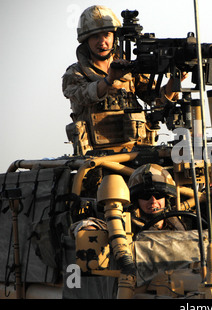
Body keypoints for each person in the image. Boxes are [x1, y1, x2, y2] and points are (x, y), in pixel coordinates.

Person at [62, 5, 180, 155]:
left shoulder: (130, 68)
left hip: (138, 152)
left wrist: (175, 80)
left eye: (107, 35)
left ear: (114, 37)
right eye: (95, 37)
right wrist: (109, 79)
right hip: (97, 156)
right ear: (86, 40)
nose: (102, 42)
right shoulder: (75, 73)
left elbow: (157, 99)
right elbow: (84, 96)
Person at [128, 163, 186, 231]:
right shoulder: (126, 228)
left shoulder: (181, 226)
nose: (153, 201)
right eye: (146, 196)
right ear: (136, 201)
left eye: (158, 196)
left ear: (166, 199)